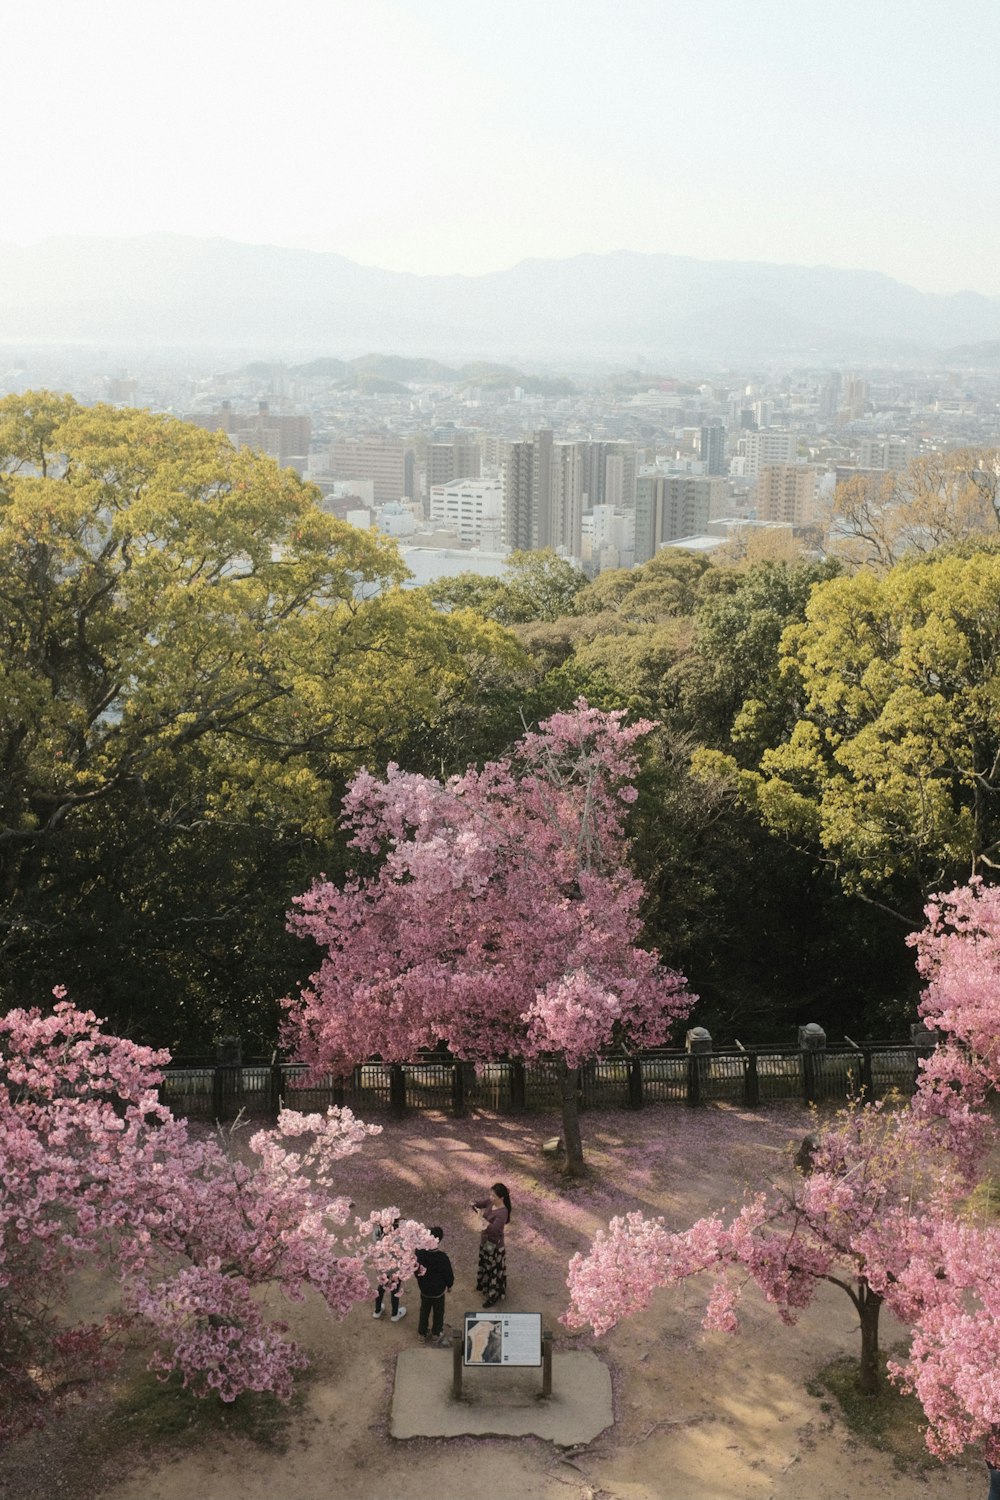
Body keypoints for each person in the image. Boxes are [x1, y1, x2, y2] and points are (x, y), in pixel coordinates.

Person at [472, 1182, 511, 1308]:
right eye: (490, 1194)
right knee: (485, 1263)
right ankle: (483, 1285)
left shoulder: (503, 1213)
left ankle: (493, 1295)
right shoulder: (490, 1203)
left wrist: (481, 1220)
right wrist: (473, 1204)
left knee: (492, 1268)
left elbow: (495, 1229)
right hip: (485, 1241)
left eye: (493, 1196)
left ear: (501, 1198)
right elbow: (481, 1204)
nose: (490, 1197)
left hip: (494, 1245)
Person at [415, 1225, 454, 1343]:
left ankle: (422, 1333)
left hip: (424, 1288)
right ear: (439, 1240)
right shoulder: (442, 1257)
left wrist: (420, 1280)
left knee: (424, 1310)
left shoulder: (420, 1253)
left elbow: (415, 1270)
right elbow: (448, 1273)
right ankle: (436, 1333)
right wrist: (449, 1284)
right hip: (438, 1291)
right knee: (438, 1312)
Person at [372, 1216, 407, 1322]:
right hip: (395, 1268)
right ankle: (395, 1314)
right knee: (395, 1290)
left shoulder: (377, 1233)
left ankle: (377, 1311)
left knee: (381, 1287)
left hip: (382, 1266)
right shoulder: (399, 1238)